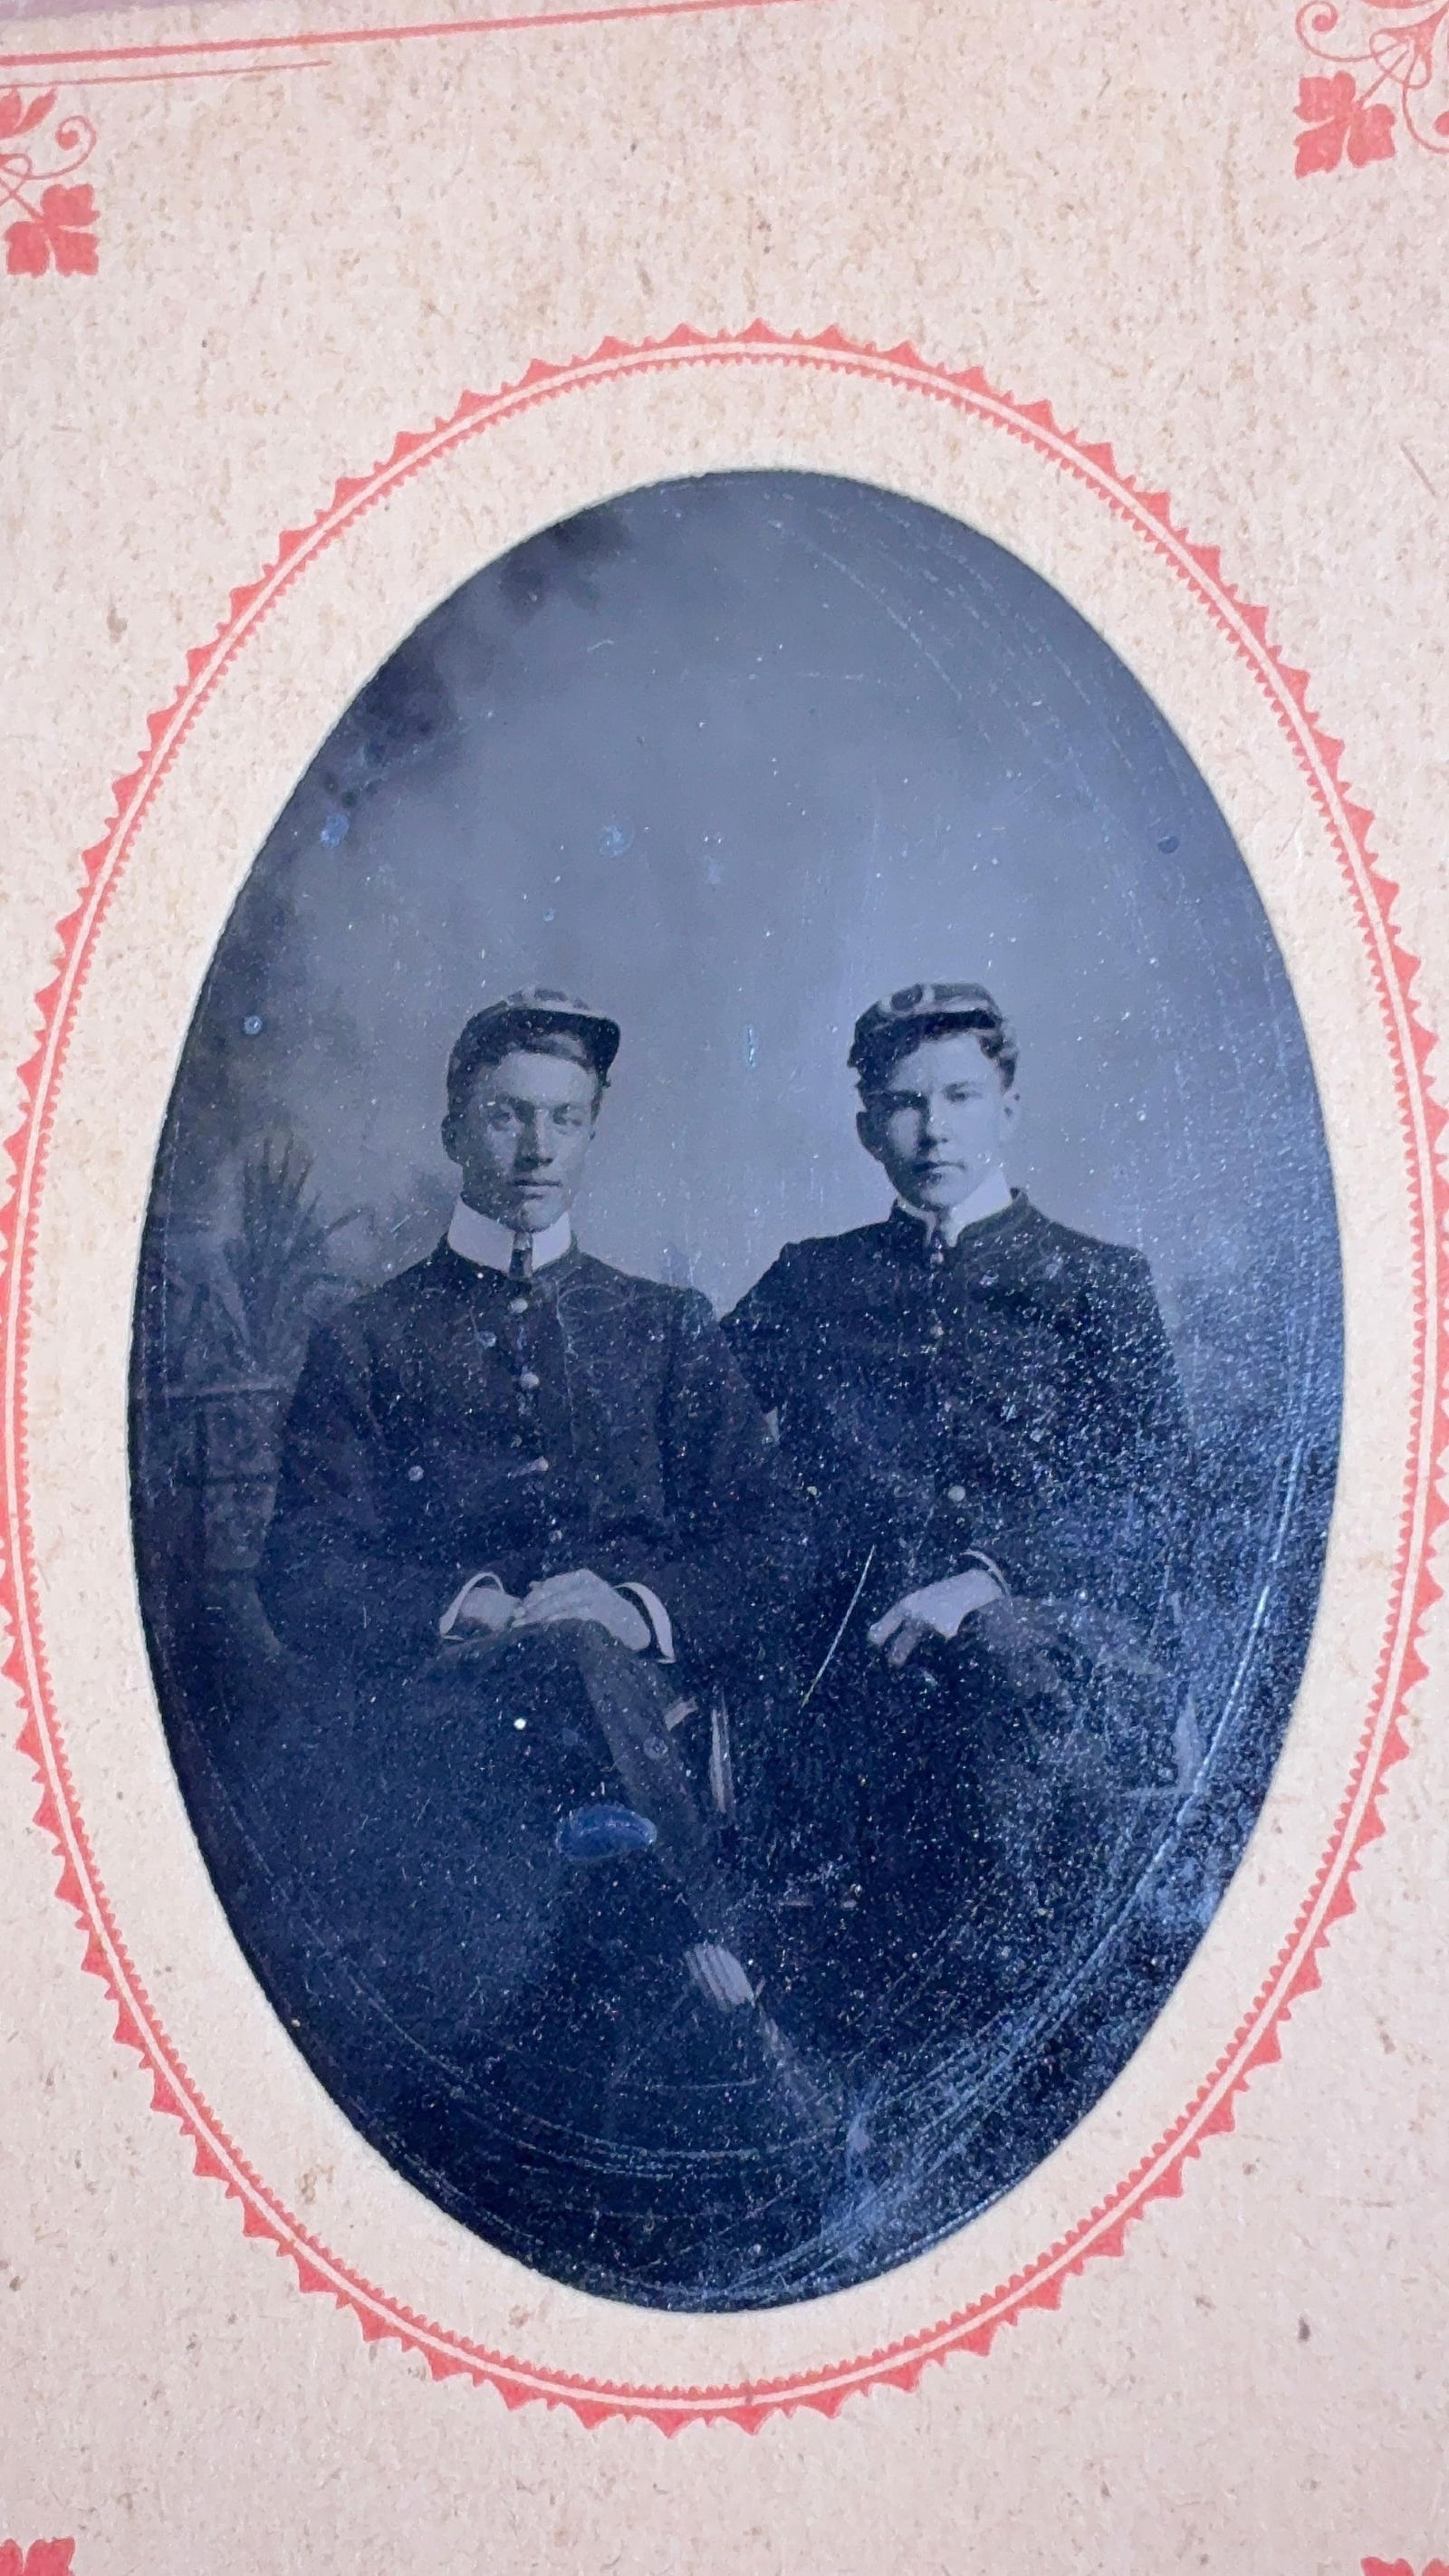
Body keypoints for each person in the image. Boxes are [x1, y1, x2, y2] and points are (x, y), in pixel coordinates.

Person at [253, 988, 824, 2305]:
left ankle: (666, 2002)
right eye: (507, 1115)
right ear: (454, 1125)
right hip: (449, 1719)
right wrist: (469, 1605)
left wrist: (631, 1605)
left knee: (585, 1655)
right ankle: (722, 1971)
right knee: (559, 1660)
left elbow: (775, 1541)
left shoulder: (664, 1327)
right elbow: (301, 1570)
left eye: (564, 1120)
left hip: (635, 1705)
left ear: (593, 1133)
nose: (534, 1147)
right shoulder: (367, 1340)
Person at [723, 981, 1197, 2071]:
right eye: (904, 1103)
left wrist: (987, 1577)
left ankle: (1014, 2051)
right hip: (856, 1671)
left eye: (959, 1097)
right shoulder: (811, 1284)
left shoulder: (1095, 1282)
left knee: (999, 1664)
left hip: (1063, 1652)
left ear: (1007, 1108)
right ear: (865, 1128)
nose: (933, 1129)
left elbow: (1157, 1501)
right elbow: (693, 1438)